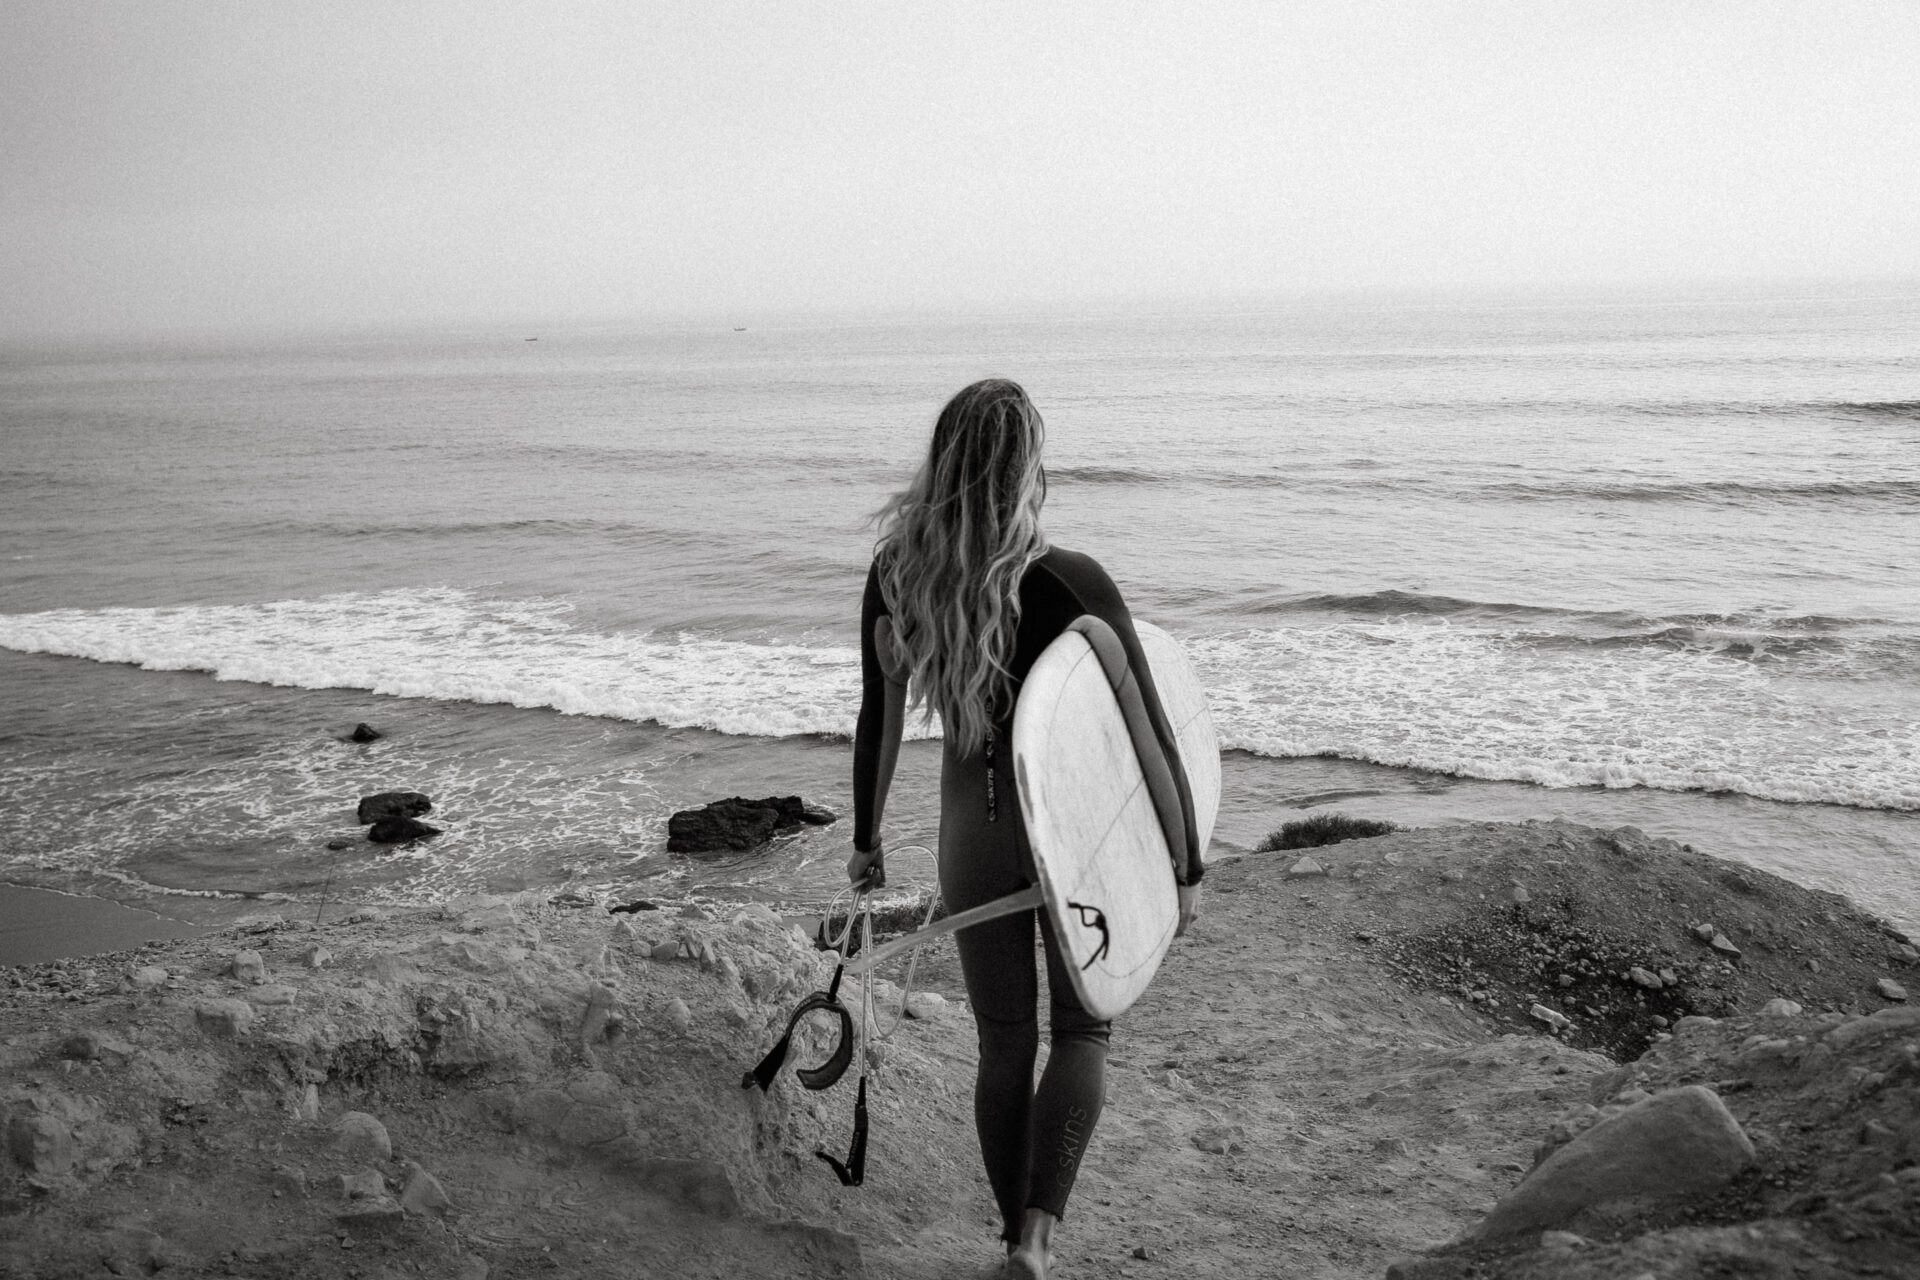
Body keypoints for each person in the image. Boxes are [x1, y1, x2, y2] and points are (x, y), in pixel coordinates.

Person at [848, 378, 1204, 1279]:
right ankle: (1037, 1242)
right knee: (1084, 1036)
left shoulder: (898, 574)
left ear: (945, 461)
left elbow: (876, 718)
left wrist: (867, 840)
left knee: (1003, 1044)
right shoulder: (1069, 580)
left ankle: (1012, 1243)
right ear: (1026, 468)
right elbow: (1152, 734)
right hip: (1069, 833)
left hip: (973, 826)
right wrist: (1184, 863)